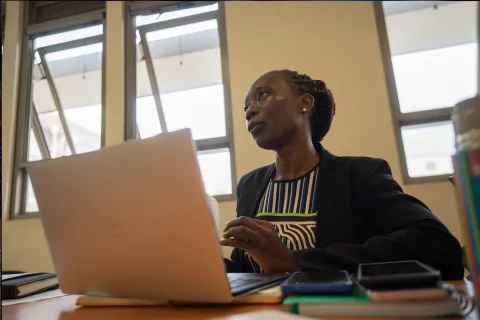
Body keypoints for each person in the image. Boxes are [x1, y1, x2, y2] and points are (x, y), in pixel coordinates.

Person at [221, 70, 464, 280]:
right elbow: (247, 270)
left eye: (262, 95)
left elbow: (438, 246)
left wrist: (296, 261)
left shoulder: (360, 175)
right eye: (246, 107)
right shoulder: (250, 185)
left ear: (304, 103)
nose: (249, 111)